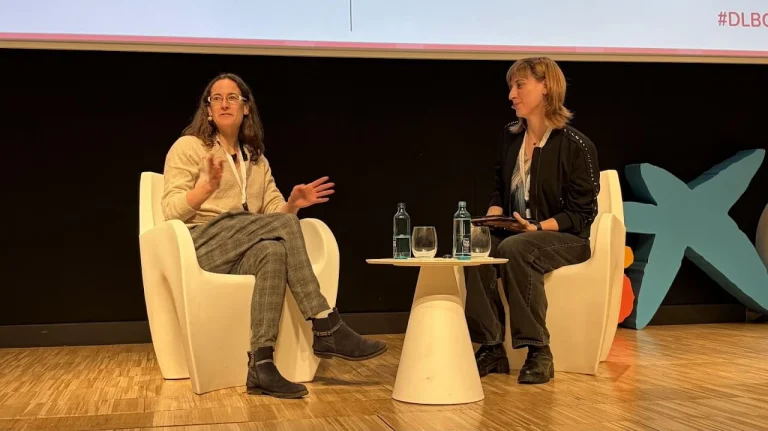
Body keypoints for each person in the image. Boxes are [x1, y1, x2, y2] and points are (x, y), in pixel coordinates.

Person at [161, 73, 387, 399]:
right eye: (216, 98)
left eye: (232, 97)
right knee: (278, 231)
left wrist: (293, 203)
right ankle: (326, 325)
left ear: (246, 108)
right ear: (208, 110)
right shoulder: (189, 147)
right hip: (201, 243)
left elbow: (274, 217)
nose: (224, 103)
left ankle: (262, 365)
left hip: (243, 245)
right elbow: (169, 211)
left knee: (273, 251)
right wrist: (205, 189)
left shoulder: (256, 159)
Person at [465, 57, 600, 384]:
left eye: (519, 85)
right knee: (474, 246)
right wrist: (494, 212)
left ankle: (539, 350)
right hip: (519, 234)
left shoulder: (576, 146)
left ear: (546, 88)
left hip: (566, 238)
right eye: (511, 86)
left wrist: (538, 227)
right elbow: (500, 187)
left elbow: (583, 214)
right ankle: (492, 346)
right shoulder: (510, 138)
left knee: (517, 247)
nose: (512, 94)